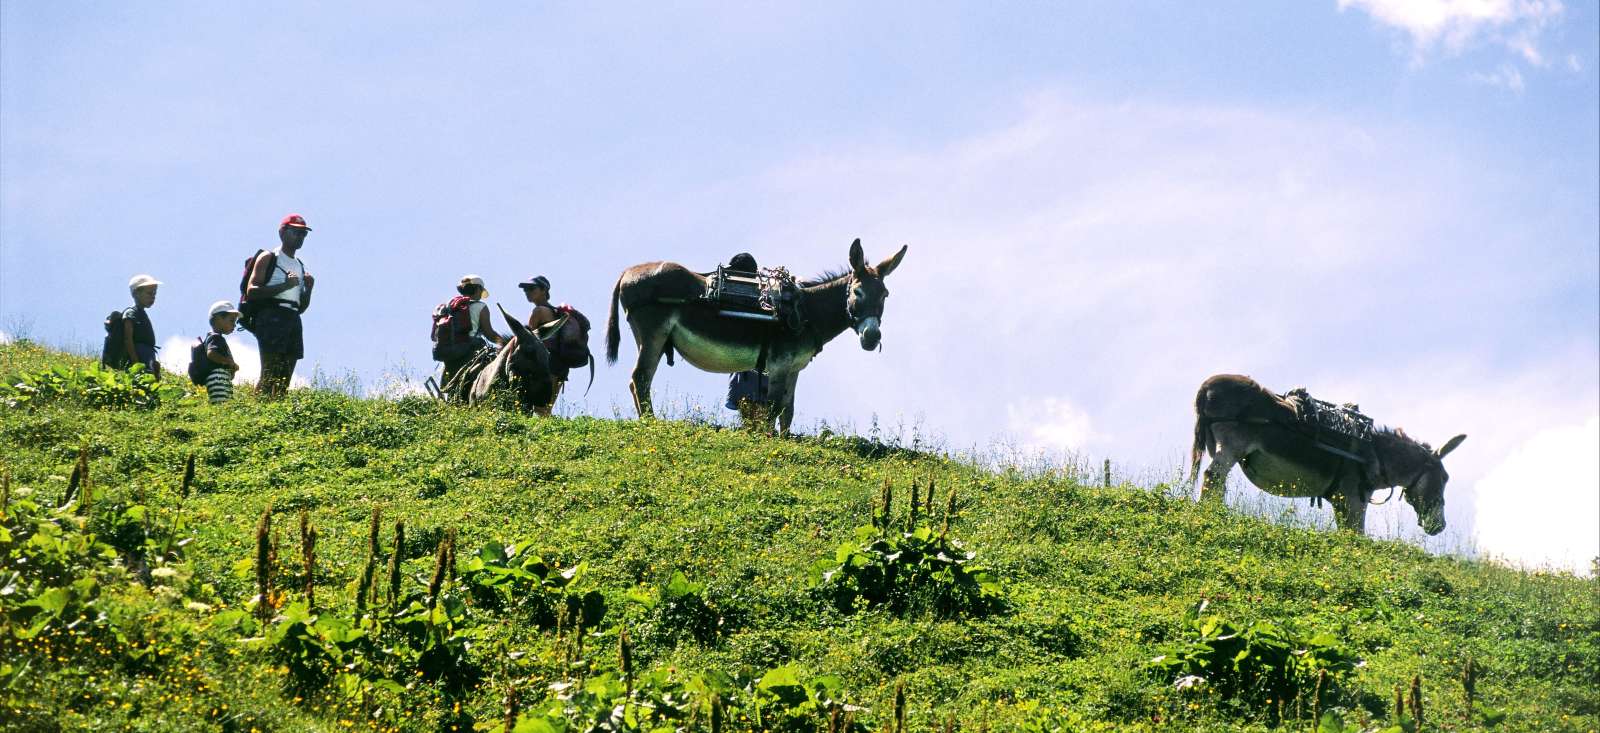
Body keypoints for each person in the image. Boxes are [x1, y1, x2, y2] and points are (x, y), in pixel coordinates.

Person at [246, 213, 315, 398]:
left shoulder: (300, 265)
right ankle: (258, 408)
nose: (299, 237)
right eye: (295, 232)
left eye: (303, 234)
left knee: (286, 374)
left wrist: (308, 289)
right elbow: (251, 291)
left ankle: (276, 408)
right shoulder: (269, 257)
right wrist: (285, 285)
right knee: (270, 371)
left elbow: (300, 307)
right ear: (282, 232)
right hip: (271, 316)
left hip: (292, 318)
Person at [437, 274, 505, 388]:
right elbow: (489, 334)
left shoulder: (451, 305)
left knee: (451, 387)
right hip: (471, 350)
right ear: (478, 289)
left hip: (450, 351)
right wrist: (505, 343)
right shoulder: (481, 307)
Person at [722, 253, 767, 421]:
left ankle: (758, 431)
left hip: (751, 364)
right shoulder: (761, 293)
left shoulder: (749, 294)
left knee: (752, 399)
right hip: (751, 363)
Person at [518, 275, 564, 415]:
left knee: (539, 408)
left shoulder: (538, 311)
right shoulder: (556, 312)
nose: (527, 292)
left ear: (544, 290)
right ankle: (549, 435)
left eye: (531, 288)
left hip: (544, 363)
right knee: (546, 408)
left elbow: (526, 338)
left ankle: (541, 435)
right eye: (525, 289)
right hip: (560, 364)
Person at [112, 274, 162, 375]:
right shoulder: (131, 313)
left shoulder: (141, 314)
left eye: (154, 293)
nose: (153, 296)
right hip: (139, 357)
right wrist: (135, 363)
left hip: (147, 357)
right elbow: (128, 339)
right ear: (136, 294)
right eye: (149, 293)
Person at [201, 301, 242, 404]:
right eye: (232, 320)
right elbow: (211, 354)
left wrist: (231, 369)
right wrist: (229, 362)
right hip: (217, 377)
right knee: (221, 403)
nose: (234, 325)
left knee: (224, 401)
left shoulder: (216, 338)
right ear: (218, 319)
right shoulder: (216, 337)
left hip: (221, 377)